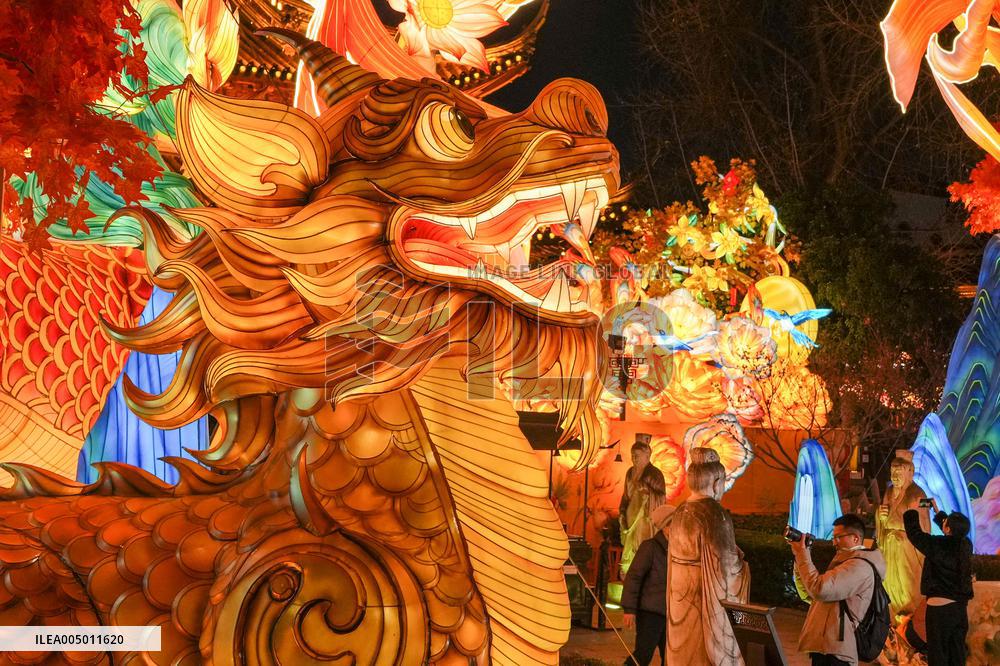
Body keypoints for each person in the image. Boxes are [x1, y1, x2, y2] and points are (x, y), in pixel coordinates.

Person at [665, 447, 749, 666]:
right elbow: (726, 569)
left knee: (684, 651)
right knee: (702, 653)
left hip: (679, 591)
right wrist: (743, 567)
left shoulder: (681, 510)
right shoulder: (714, 513)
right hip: (702, 593)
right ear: (715, 482)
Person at [791, 513, 887, 666]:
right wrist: (799, 557)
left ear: (855, 538)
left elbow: (820, 589)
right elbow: (811, 595)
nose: (834, 542)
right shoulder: (845, 563)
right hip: (825, 647)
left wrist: (803, 554)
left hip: (838, 652)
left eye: (838, 537)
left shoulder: (859, 567)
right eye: (833, 537)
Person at [903, 500, 974, 666]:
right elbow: (952, 530)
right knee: (957, 652)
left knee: (938, 652)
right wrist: (937, 512)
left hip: (939, 608)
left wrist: (912, 511)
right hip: (959, 609)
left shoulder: (937, 545)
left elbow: (915, 535)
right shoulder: (965, 545)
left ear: (947, 528)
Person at [621, 504, 675, 666]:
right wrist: (629, 610)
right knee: (643, 654)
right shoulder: (650, 547)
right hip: (651, 612)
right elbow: (634, 577)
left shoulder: (679, 550)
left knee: (671, 657)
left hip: (672, 614)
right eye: (674, 524)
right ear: (665, 527)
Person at [877, 450, 928, 618]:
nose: (895, 476)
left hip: (907, 548)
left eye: (899, 472)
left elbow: (923, 523)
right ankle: (891, 620)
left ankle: (908, 621)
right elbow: (884, 519)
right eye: (893, 472)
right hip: (890, 547)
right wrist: (881, 515)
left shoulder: (918, 494)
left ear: (910, 472)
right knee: (890, 584)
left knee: (907, 585)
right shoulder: (889, 491)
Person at [619, 436, 667, 575]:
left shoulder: (654, 474)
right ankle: (628, 573)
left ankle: (643, 572)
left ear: (647, 456)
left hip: (646, 519)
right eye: (633, 455)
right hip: (631, 517)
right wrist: (622, 512)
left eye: (637, 456)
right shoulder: (630, 473)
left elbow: (661, 497)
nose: (634, 459)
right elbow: (625, 496)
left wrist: (647, 492)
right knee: (629, 550)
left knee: (643, 548)